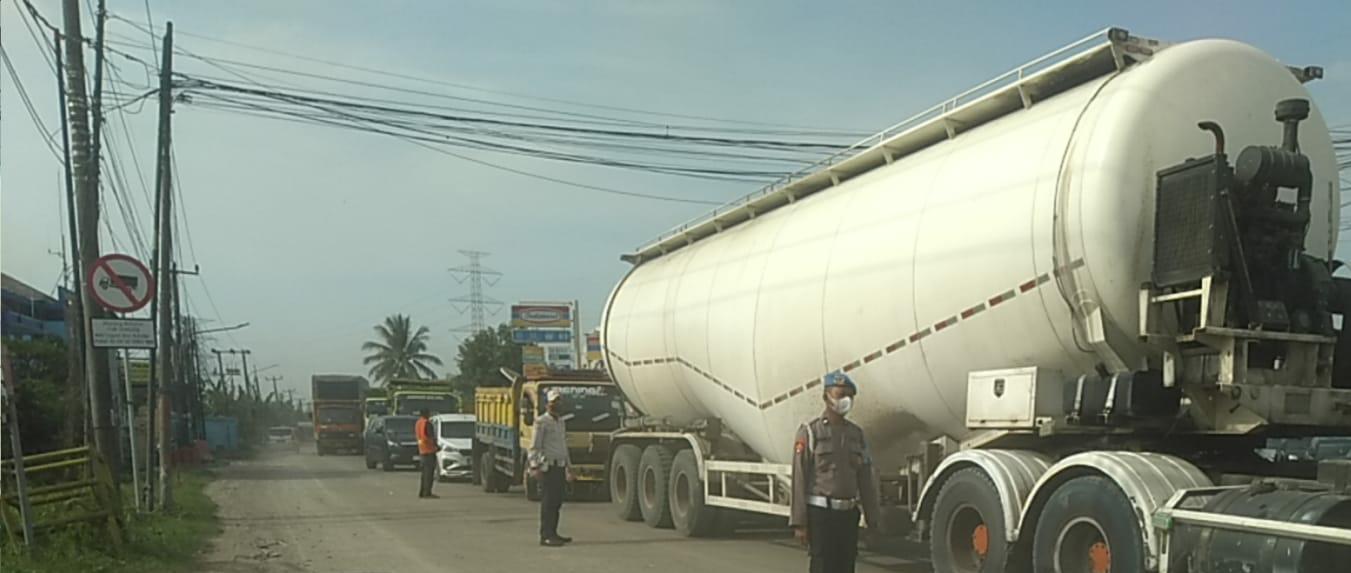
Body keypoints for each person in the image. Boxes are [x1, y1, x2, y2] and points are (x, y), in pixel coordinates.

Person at [789, 371, 883, 573]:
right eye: (840, 395)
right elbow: (799, 478)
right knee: (823, 566)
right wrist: (799, 523)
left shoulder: (856, 435)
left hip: (848, 515)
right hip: (821, 515)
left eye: (849, 396)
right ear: (826, 397)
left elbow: (865, 479)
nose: (845, 400)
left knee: (846, 566)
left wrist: (872, 520)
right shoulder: (810, 432)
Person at [530, 389, 574, 547]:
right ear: (547, 404)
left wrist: (569, 467)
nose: (556, 404)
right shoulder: (541, 422)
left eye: (559, 401)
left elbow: (563, 446)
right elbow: (535, 446)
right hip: (548, 467)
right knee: (548, 503)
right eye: (554, 402)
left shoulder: (561, 422)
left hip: (560, 466)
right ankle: (546, 535)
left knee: (557, 502)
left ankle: (554, 533)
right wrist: (535, 467)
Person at [415, 408, 438, 499]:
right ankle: (427, 493)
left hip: (422, 450)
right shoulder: (427, 423)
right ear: (426, 414)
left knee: (424, 474)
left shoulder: (418, 423)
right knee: (429, 474)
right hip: (429, 451)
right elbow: (430, 437)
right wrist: (436, 447)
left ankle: (422, 491)